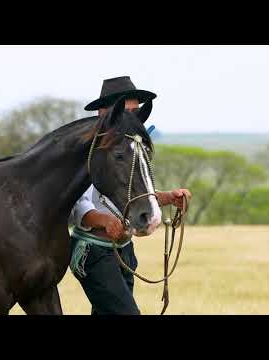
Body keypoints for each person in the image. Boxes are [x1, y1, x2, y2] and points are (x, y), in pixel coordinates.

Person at [68, 76, 192, 315]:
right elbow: (79, 204)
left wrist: (168, 197)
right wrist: (104, 220)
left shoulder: (128, 146)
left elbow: (131, 194)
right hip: (93, 251)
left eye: (137, 112)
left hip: (124, 250)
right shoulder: (89, 150)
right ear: (105, 112)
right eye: (128, 111)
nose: (134, 119)